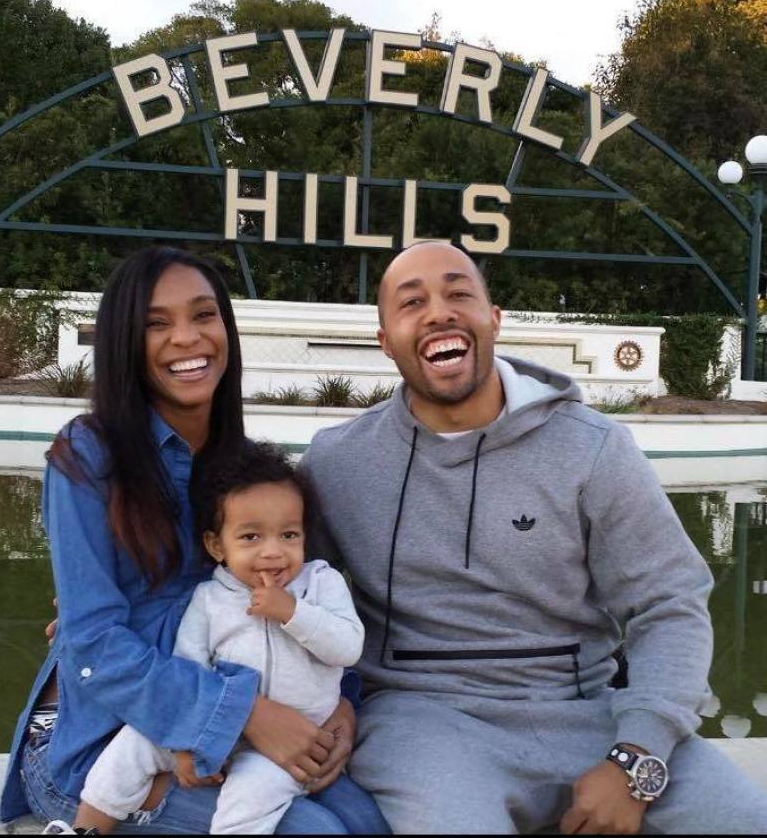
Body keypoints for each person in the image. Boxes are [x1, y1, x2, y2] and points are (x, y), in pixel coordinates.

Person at [300, 240, 767, 834]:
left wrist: (636, 757)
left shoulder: (593, 447)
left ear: (493, 320)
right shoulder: (338, 462)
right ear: (385, 341)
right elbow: (283, 597)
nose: (439, 312)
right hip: (423, 722)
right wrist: (333, 698)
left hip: (588, 710)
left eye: (458, 293)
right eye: (411, 302)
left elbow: (669, 604)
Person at [0, 246, 389, 835]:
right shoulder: (88, 455)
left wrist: (342, 708)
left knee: (368, 821)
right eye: (157, 323)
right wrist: (235, 717)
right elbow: (95, 642)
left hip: (243, 730)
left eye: (204, 316)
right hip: (100, 749)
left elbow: (310, 596)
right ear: (126, 342)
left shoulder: (247, 473)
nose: (187, 338)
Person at [61, 440, 365, 835]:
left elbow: (348, 647)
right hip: (219, 727)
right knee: (132, 745)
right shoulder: (209, 598)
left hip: (292, 742)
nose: (273, 552)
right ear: (216, 545)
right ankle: (86, 827)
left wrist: (293, 613)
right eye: (251, 538)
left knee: (247, 804)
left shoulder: (320, 584)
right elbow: (190, 667)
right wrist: (187, 738)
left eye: (288, 535)